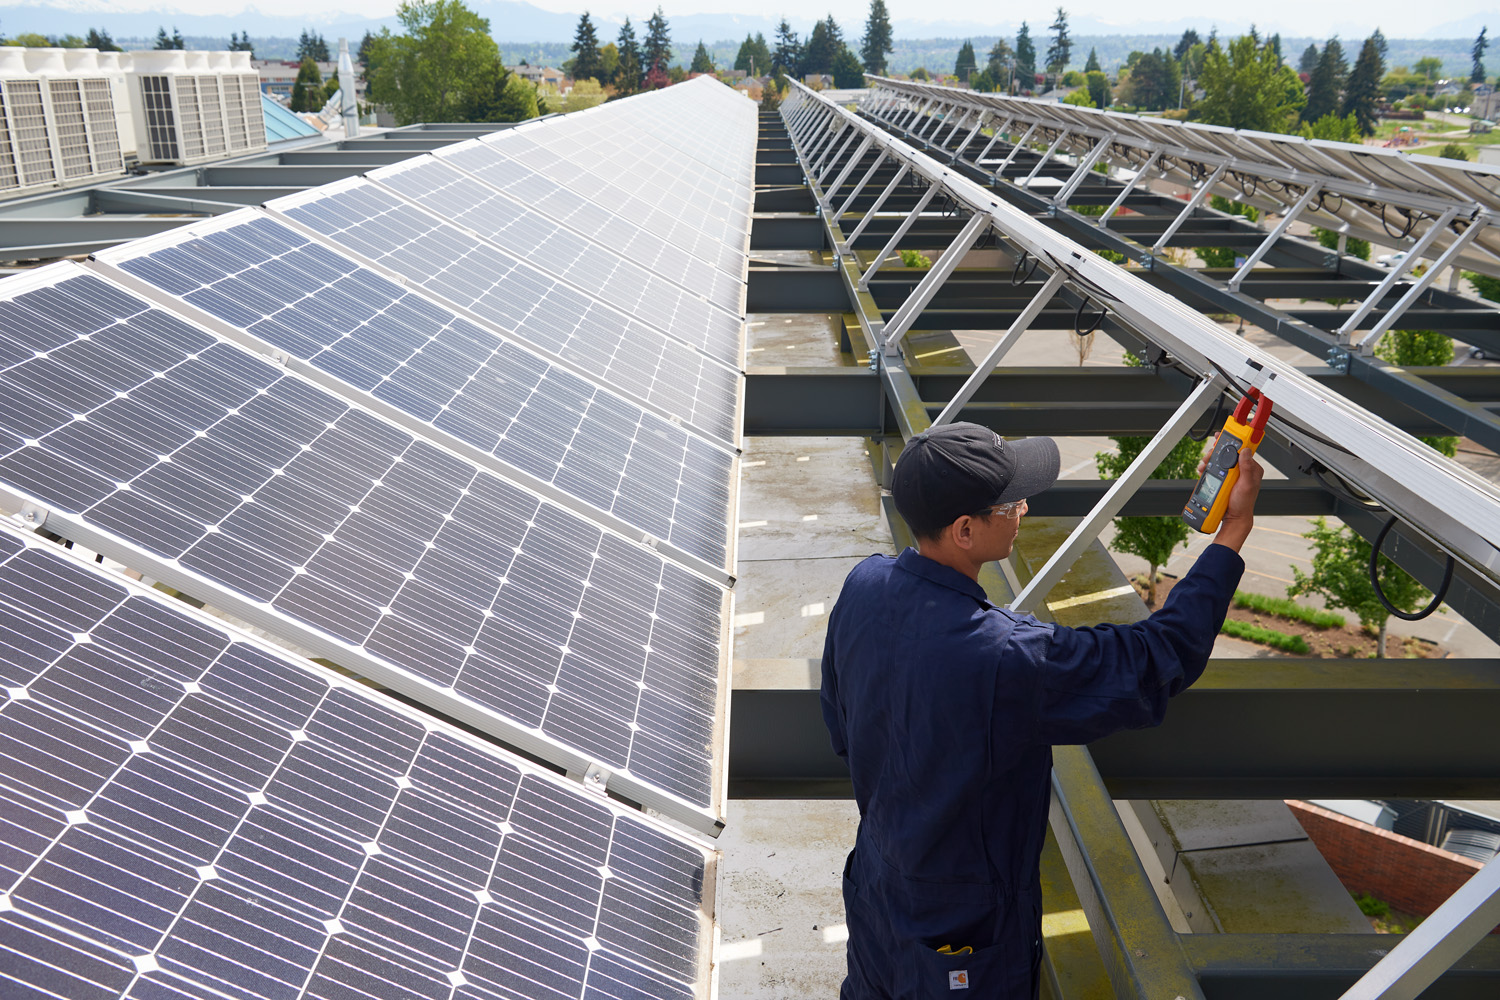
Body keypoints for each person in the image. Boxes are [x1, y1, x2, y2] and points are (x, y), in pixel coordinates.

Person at [821, 421, 1261, 999]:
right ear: (963, 530)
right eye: (1009, 502)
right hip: (962, 935)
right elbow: (1156, 660)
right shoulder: (1004, 656)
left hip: (878, 887)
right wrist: (1232, 533)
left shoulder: (864, 584)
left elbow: (841, 725)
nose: (1023, 508)